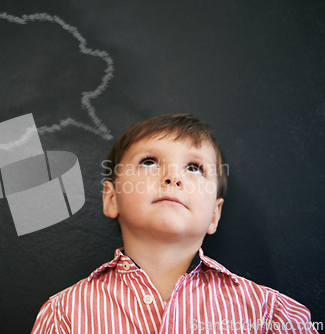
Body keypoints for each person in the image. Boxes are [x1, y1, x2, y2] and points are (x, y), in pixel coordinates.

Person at [32, 114, 318, 333]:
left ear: (215, 215)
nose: (172, 177)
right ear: (111, 198)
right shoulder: (64, 315)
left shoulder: (272, 316)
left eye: (194, 168)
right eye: (148, 162)